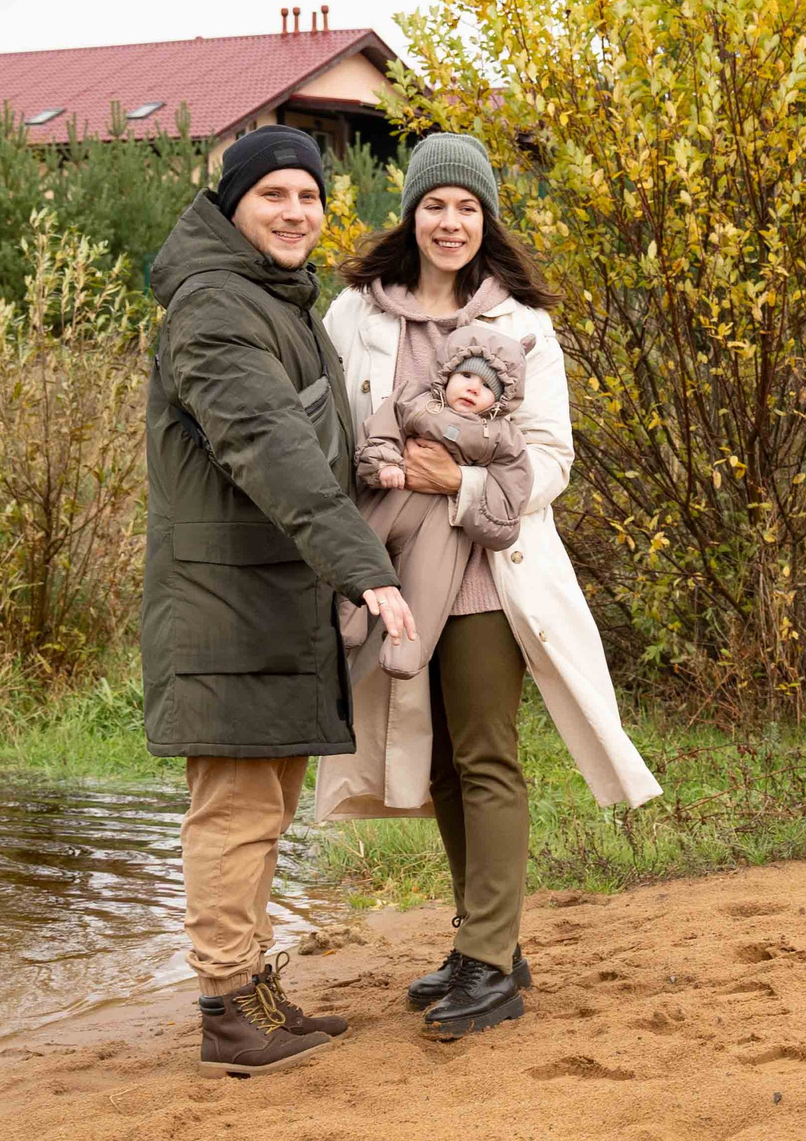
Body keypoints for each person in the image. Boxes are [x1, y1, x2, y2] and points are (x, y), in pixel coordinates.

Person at [317, 132, 660, 1039]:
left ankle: (489, 961)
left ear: (487, 220)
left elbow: (551, 459)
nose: (451, 222)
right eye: (436, 204)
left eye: (468, 207)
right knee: (431, 762)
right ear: (411, 213)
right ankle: (486, 941)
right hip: (391, 569)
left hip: (488, 572)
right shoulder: (354, 315)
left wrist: (457, 485)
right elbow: (330, 430)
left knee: (484, 754)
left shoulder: (525, 328)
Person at [143, 125, 417, 1076]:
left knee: (265, 805)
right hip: (228, 605)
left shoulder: (274, 299)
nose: (296, 213)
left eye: (310, 197)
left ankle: (252, 989)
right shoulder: (216, 310)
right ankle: (227, 1010)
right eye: (275, 197)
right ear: (233, 206)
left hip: (268, 600)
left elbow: (317, 446)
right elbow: (272, 448)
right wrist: (367, 569)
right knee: (235, 809)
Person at [339, 320, 536, 680]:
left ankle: (407, 647)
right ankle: (344, 621)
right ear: (447, 372)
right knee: (361, 549)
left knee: (429, 584)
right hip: (390, 498)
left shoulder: (503, 439)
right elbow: (381, 428)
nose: (473, 389)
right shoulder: (414, 399)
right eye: (466, 376)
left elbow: (511, 495)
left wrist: (471, 490)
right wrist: (382, 461)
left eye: (488, 386)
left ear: (503, 397)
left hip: (444, 524)